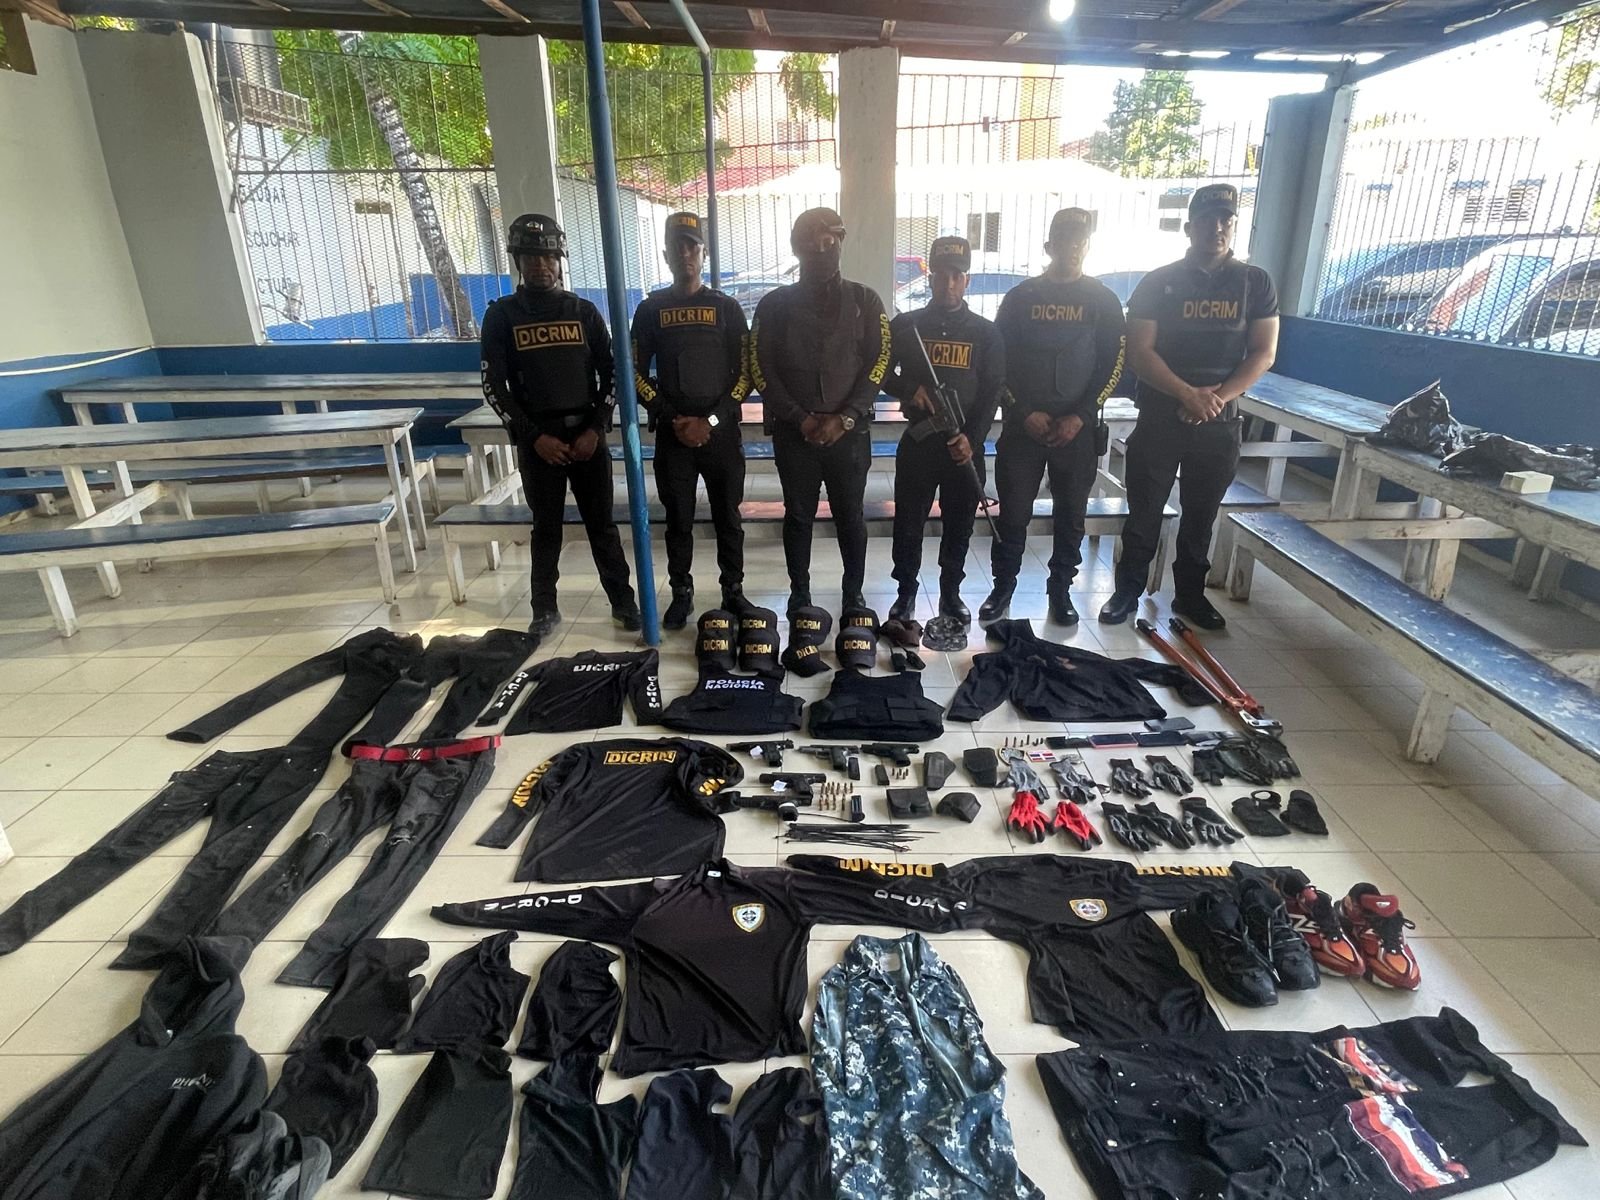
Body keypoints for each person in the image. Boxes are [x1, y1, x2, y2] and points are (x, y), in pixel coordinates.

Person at [1099, 184, 1279, 630]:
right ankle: (1127, 592)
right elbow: (1140, 352)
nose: (1216, 227)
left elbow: (1264, 353)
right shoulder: (1158, 281)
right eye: (1206, 219)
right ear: (1188, 227)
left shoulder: (1254, 282)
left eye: (1225, 219)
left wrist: (1214, 399)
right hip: (1161, 416)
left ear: (1234, 225)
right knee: (1144, 512)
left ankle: (1190, 596)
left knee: (1201, 515)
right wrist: (1186, 393)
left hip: (1219, 420)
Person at [480, 213, 640, 637]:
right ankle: (543, 608)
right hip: (539, 444)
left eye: (549, 256)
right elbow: (494, 386)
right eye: (532, 256)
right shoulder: (502, 317)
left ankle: (623, 603)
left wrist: (596, 428)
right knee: (546, 529)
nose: (541, 265)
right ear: (517, 260)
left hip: (587, 438)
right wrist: (533, 437)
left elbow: (613, 375)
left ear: (560, 260)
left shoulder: (583, 312)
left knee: (602, 527)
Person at [980, 208, 1126, 626]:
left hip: (1077, 432)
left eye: (1081, 240)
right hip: (1023, 429)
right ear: (1049, 246)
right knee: (1012, 515)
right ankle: (1003, 587)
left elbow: (1114, 365)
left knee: (1071, 517)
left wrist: (1081, 415)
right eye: (1065, 240)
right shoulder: (1021, 298)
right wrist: (1023, 411)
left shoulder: (1102, 300)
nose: (1073, 248)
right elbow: (998, 362)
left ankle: (1060, 590)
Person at [750, 207, 892, 615]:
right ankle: (800, 593)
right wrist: (800, 417)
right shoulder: (774, 305)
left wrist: (846, 416)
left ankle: (854, 594)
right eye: (812, 244)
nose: (823, 250)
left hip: (849, 433)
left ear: (842, 243)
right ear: (797, 249)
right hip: (796, 433)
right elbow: (760, 366)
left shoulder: (866, 300)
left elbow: (879, 362)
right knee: (798, 516)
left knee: (851, 517)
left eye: (831, 242)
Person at [631, 212, 753, 629]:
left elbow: (746, 375)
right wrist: (673, 417)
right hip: (673, 435)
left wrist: (711, 421)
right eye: (677, 247)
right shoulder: (650, 309)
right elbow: (633, 372)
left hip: (721, 434)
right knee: (678, 520)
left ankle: (732, 590)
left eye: (692, 246)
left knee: (728, 518)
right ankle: (681, 592)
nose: (685, 253)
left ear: (704, 253)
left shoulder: (727, 308)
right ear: (666, 255)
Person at [880, 235, 1005, 627]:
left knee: (959, 525)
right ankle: (905, 593)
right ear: (931, 277)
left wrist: (973, 438)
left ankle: (950, 592)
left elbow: (992, 391)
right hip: (920, 444)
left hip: (963, 446)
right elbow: (878, 372)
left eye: (956, 275)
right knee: (908, 523)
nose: (948, 283)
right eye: (941, 275)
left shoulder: (986, 333)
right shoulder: (907, 325)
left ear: (967, 280)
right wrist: (909, 389)